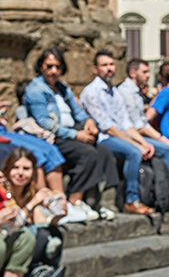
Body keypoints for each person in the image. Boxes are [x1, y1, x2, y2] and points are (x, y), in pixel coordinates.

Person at [21, 49, 115, 223]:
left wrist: (89, 121)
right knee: (87, 154)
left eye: (58, 67)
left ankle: (96, 201)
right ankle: (74, 200)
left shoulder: (63, 88)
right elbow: (44, 122)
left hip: (72, 132)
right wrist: (75, 134)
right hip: (53, 136)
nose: (54, 71)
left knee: (104, 151)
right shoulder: (36, 89)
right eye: (49, 66)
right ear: (41, 67)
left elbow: (78, 112)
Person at [78, 51, 158, 215]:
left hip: (119, 135)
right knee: (134, 153)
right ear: (95, 69)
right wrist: (136, 144)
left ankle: (160, 196)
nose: (109, 68)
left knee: (159, 150)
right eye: (104, 65)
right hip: (104, 138)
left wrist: (143, 142)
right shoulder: (91, 92)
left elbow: (126, 124)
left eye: (111, 64)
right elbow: (107, 127)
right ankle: (131, 200)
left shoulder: (115, 91)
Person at [2, 148, 70, 277]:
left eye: (26, 169)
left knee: (52, 235)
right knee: (35, 236)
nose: (20, 173)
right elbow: (11, 226)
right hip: (8, 245)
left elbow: (44, 224)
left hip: (22, 250)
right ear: (7, 169)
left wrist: (58, 214)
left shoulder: (31, 193)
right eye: (16, 168)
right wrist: (32, 205)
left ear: (33, 172)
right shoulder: (3, 192)